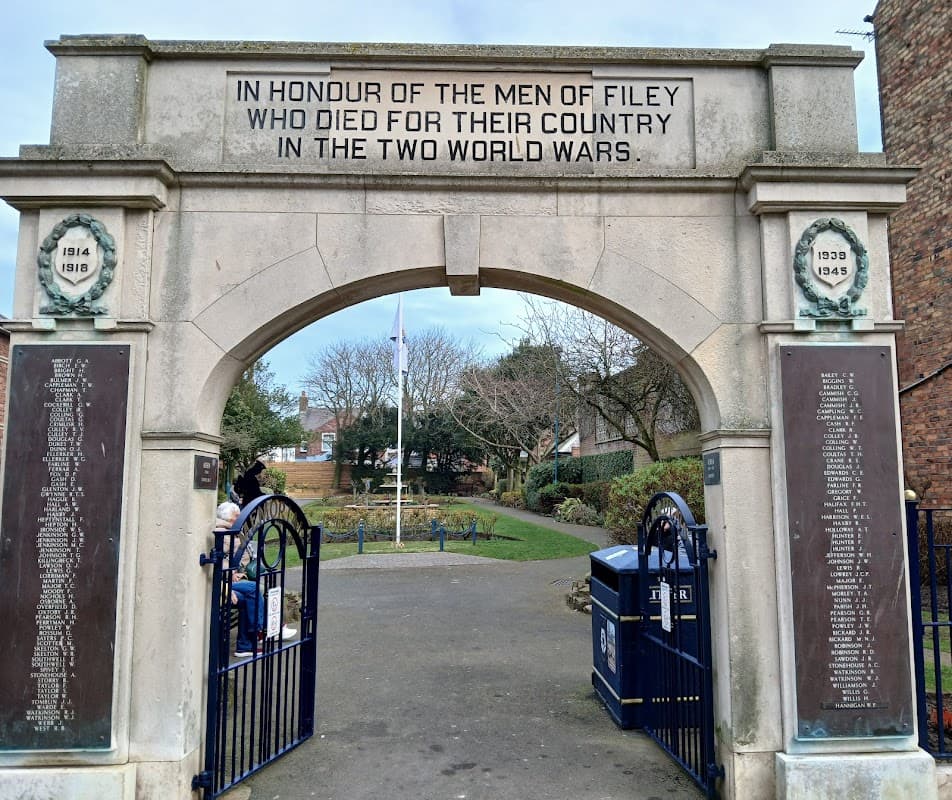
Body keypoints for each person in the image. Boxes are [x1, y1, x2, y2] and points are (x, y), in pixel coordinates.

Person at [215, 501, 296, 659]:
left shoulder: (232, 531)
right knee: (255, 589)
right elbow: (219, 562)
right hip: (224, 583)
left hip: (233, 579)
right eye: (236, 517)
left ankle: (245, 646)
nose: (240, 519)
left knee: (248, 599)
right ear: (228, 519)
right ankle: (263, 629)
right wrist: (227, 583)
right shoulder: (222, 533)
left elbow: (234, 559)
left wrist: (237, 573)